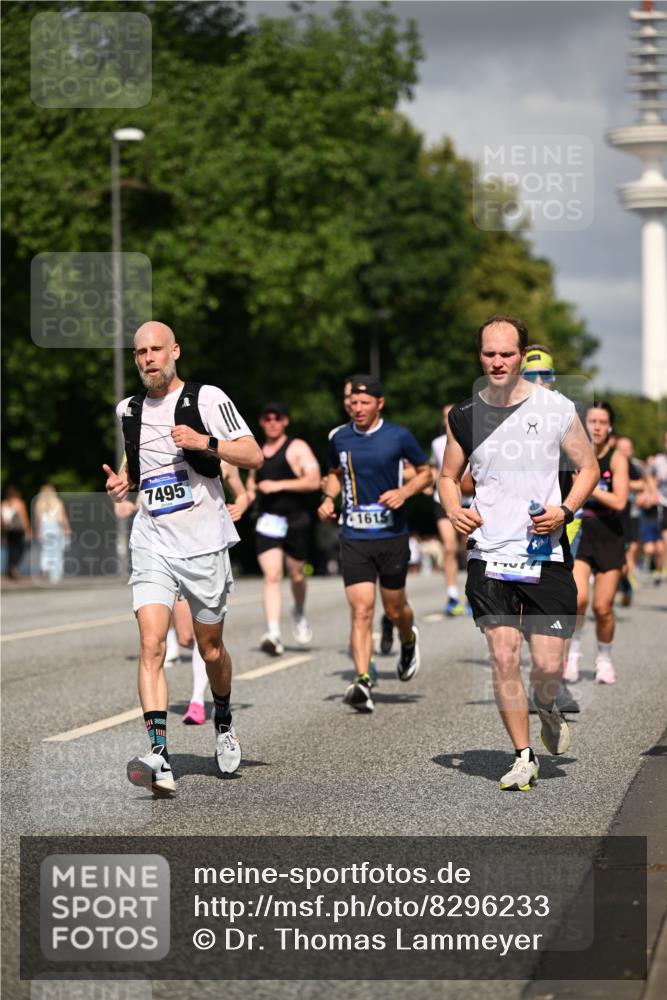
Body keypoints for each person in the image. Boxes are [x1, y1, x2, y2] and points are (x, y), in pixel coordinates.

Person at [103, 321, 263, 796]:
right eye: (139, 352)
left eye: (156, 349)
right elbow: (142, 463)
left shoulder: (206, 399)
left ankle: (224, 719)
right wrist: (124, 482)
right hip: (152, 539)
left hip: (204, 543)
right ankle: (160, 755)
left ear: (175, 351)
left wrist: (203, 442)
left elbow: (252, 454)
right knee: (153, 643)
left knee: (210, 648)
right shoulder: (128, 410)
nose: (148, 358)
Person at [440, 315, 598, 792]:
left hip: (544, 551)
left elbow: (588, 467)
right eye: (489, 353)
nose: (497, 361)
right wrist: (453, 508)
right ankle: (523, 755)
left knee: (547, 666)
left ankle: (546, 705)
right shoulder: (465, 415)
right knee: (504, 655)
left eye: (506, 353)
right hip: (489, 552)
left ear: (522, 355)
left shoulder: (555, 408)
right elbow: (448, 477)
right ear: (480, 356)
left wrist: (565, 509)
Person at [319, 375, 432, 712]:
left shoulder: (399, 436)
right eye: (352, 403)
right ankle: (363, 679)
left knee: (395, 608)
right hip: (354, 536)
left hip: (392, 535)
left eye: (365, 403)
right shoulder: (339, 438)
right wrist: (328, 499)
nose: (358, 408)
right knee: (362, 609)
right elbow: (334, 475)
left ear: (380, 403)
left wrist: (404, 492)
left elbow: (427, 472)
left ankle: (408, 639)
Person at [520, 345, 580, 714]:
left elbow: (580, 473)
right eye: (530, 375)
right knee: (525, 609)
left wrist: (566, 510)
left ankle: (552, 678)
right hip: (512, 531)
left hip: (555, 526)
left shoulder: (564, 412)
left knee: (562, 601)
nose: (538, 381)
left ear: (553, 378)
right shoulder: (502, 412)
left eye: (544, 375)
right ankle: (546, 678)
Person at [246, 403, 321, 656]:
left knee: (297, 574)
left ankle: (299, 610)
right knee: (273, 575)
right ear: (262, 423)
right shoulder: (256, 452)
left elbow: (314, 480)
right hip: (268, 522)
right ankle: (274, 633)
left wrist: (278, 485)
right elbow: (250, 487)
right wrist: (240, 501)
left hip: (296, 520)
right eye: (267, 419)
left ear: (285, 421)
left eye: (277, 418)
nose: (272, 423)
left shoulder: (296, 447)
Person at [180, 460, 250, 724]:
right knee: (186, 636)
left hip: (205, 546)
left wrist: (240, 504)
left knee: (205, 643)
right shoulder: (152, 437)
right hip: (166, 545)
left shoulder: (211, 445)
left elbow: (241, 492)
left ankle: (197, 699)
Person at [565, 402, 630, 685]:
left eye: (603, 422)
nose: (597, 427)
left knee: (603, 608)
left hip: (610, 535)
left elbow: (619, 501)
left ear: (610, 426)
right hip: (581, 532)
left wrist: (588, 485)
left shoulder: (616, 458)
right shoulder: (575, 455)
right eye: (592, 421)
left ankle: (604, 658)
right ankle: (574, 655)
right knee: (579, 600)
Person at [430, 404, 471, 616]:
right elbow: (437, 468)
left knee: (469, 547)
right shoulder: (437, 443)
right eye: (445, 416)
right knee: (448, 547)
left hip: (470, 499)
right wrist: (430, 484)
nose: (449, 419)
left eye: (451, 415)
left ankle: (472, 591)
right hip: (443, 499)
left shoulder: (472, 435)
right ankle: (452, 593)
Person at [615, 435, 647, 606]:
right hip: (613, 517)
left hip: (631, 516)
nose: (624, 452)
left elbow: (642, 485)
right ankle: (623, 582)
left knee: (629, 553)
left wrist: (623, 483)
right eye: (621, 448)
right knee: (618, 558)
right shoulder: (611, 464)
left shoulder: (634, 466)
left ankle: (627, 583)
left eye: (627, 448)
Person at [34, 484, 71, 583]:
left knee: (46, 551)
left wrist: (38, 531)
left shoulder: (39, 504)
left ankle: (46, 567)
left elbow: (38, 520)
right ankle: (55, 576)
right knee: (57, 553)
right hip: (56, 529)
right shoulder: (58, 503)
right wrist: (67, 529)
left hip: (44, 530)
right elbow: (63, 518)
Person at [648, 431, 667, 583]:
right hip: (662, 504)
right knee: (663, 539)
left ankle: (660, 567)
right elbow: (649, 477)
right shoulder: (659, 461)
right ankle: (660, 568)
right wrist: (652, 492)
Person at [1, 485, 31, 580]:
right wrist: (28, 530)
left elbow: (1, 521)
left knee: (10, 550)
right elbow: (24, 517)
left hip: (9, 530)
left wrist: (4, 533)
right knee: (20, 549)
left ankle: (10, 569)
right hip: (18, 530)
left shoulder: (3, 504)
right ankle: (13, 567)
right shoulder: (19, 503)